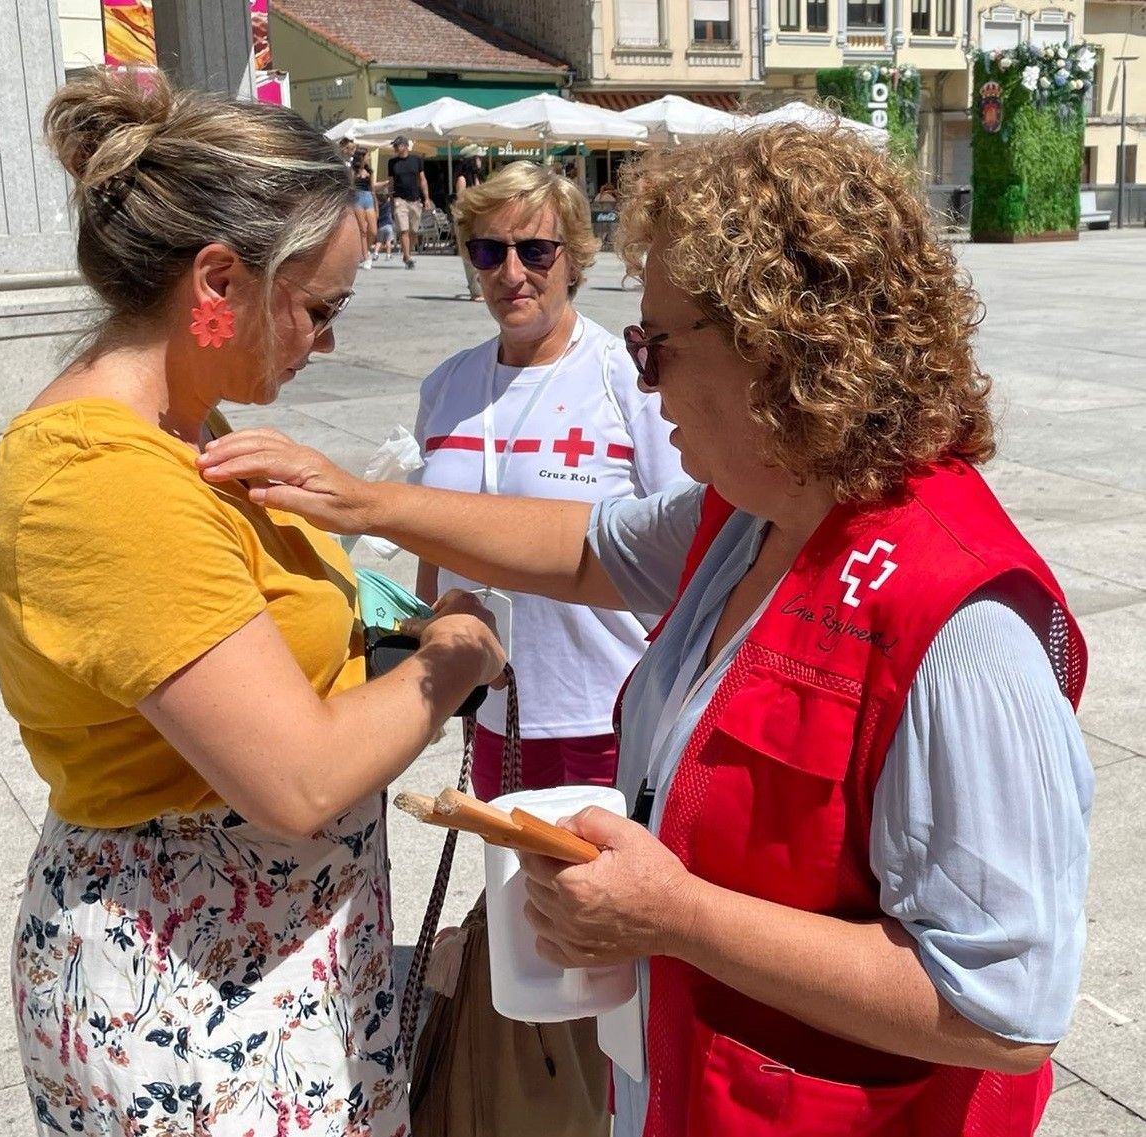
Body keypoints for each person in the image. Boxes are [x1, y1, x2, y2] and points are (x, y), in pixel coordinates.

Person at [198, 124, 1095, 1137]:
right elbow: (585, 548)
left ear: (778, 351)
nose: (645, 382)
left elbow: (1004, 1012)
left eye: (656, 345)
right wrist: (365, 504)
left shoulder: (960, 634)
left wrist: (677, 918)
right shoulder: (757, 511)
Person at [0, 72, 505, 1137]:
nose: (328, 341)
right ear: (218, 278)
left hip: (257, 965)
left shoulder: (181, 430)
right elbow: (295, 777)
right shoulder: (104, 478)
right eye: (319, 307)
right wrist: (455, 654)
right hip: (193, 993)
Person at [409, 159, 686, 802]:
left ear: (576, 259)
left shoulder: (628, 377)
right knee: (511, 900)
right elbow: (431, 538)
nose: (512, 274)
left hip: (609, 714)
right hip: (491, 716)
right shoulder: (447, 385)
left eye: (535, 250)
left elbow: (687, 538)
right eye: (488, 250)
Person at [378, 136, 432, 269]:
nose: (395, 148)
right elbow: (391, 183)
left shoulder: (416, 160)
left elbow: (422, 180)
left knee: (413, 230)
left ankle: (406, 253)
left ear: (406, 146)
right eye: (394, 146)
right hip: (399, 199)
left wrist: (426, 198)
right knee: (404, 230)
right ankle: (407, 257)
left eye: (397, 145)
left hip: (414, 199)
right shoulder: (392, 162)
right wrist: (391, 201)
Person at [453, 153, 485, 300]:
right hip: (466, 219)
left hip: (477, 219)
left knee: (479, 254)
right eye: (478, 157)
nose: (480, 160)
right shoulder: (462, 179)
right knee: (469, 255)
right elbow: (461, 201)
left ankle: (479, 288)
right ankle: (475, 290)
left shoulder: (476, 178)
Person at [351, 145, 377, 269]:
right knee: (363, 230)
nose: (369, 157)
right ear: (361, 157)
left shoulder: (369, 171)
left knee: (373, 230)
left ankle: (364, 250)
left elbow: (372, 189)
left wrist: (376, 205)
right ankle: (366, 256)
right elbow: (349, 188)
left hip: (368, 198)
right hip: (357, 198)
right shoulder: (352, 171)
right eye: (367, 155)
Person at [372, 192, 396, 261]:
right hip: (388, 225)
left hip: (380, 226)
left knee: (379, 241)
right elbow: (390, 199)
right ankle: (388, 255)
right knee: (388, 241)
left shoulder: (377, 207)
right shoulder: (388, 205)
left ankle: (375, 254)